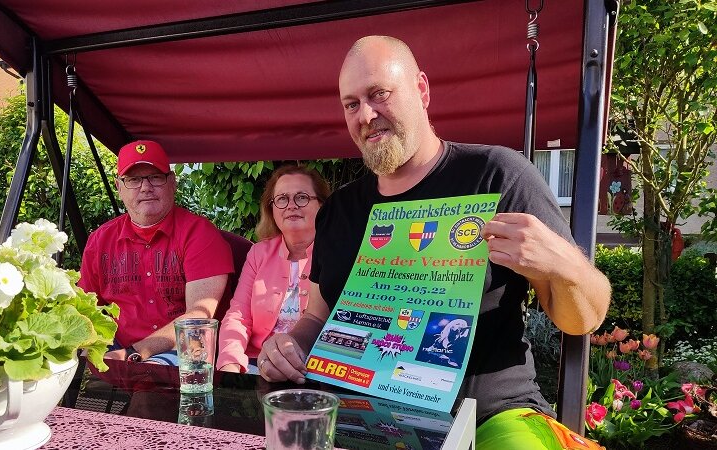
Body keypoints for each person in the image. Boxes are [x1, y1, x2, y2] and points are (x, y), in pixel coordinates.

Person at [257, 36, 611, 449]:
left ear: (421, 90)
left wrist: (563, 264)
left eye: (379, 94)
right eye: (351, 104)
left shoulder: (497, 175)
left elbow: (585, 317)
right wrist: (288, 344)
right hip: (356, 417)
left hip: (488, 418)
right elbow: (316, 316)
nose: (365, 115)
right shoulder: (339, 209)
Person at [80, 140, 233, 365]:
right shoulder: (99, 241)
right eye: (133, 179)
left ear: (172, 182)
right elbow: (84, 309)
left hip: (185, 348)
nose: (145, 187)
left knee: (149, 384)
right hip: (118, 345)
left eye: (155, 177)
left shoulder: (200, 234)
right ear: (118, 187)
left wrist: (134, 353)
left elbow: (197, 318)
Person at [216, 165, 330, 374]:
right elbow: (239, 316)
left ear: (322, 205)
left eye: (302, 197)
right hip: (257, 364)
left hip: (317, 368)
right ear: (272, 209)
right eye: (282, 199)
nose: (291, 206)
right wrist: (230, 362)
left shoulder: (337, 251)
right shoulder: (258, 253)